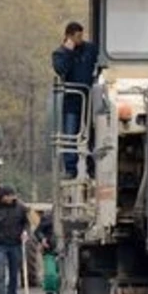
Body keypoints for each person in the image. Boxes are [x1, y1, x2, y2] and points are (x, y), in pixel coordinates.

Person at [51, 21, 97, 178]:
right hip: (72, 100)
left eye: (81, 36)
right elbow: (61, 70)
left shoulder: (89, 49)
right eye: (77, 37)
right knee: (70, 134)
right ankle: (70, 169)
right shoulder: (60, 54)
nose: (80, 39)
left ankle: (93, 168)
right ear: (69, 36)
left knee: (92, 133)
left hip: (89, 98)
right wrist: (68, 51)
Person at [34, 210, 59, 294]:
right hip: (50, 252)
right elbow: (38, 231)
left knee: (62, 278)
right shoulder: (48, 217)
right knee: (50, 276)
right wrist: (42, 239)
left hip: (65, 253)